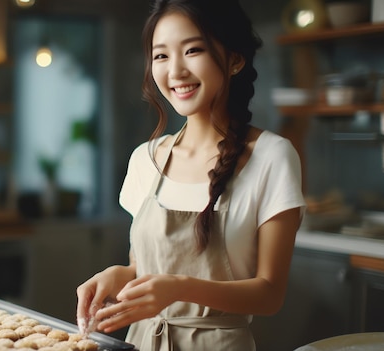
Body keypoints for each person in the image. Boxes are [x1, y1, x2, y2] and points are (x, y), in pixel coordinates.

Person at [75, 0, 306, 350]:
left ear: (235, 59)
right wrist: (117, 276)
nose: (176, 71)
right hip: (144, 342)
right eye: (161, 56)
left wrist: (179, 288)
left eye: (193, 50)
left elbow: (270, 294)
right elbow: (143, 267)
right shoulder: (145, 159)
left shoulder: (273, 156)